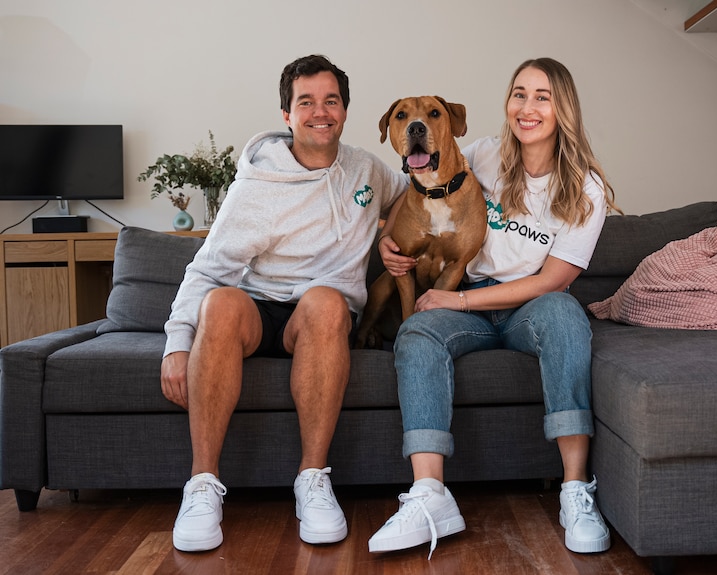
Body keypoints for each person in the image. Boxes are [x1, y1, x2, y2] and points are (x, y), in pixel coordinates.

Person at [368, 57, 621, 558]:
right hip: (469, 308)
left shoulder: (585, 187)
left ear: (563, 109)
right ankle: (429, 494)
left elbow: (554, 279)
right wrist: (385, 242)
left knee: (566, 312)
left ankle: (574, 488)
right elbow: (414, 186)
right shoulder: (481, 155)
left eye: (542, 97)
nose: (527, 107)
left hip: (528, 306)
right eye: (519, 94)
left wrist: (458, 297)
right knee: (416, 332)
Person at [160, 54, 408, 552]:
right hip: (259, 310)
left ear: (344, 109)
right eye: (306, 102)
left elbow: (407, 194)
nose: (321, 112)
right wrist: (176, 343)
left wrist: (391, 233)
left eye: (331, 100)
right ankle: (203, 485)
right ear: (287, 115)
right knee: (221, 302)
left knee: (325, 301)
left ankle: (312, 480)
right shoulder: (255, 185)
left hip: (321, 318)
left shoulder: (366, 169)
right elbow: (207, 268)